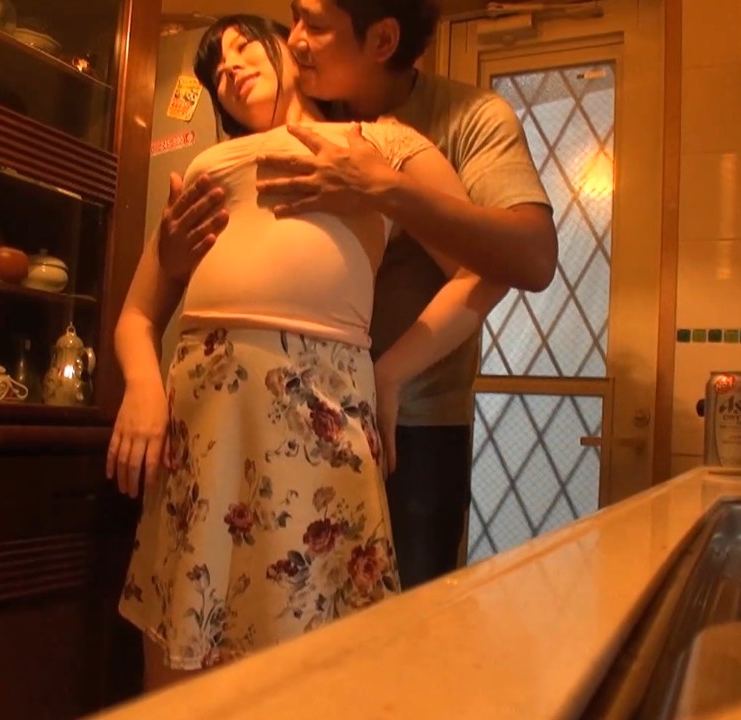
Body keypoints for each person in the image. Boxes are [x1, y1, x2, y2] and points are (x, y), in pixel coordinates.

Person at [105, 14, 508, 689]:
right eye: (216, 69)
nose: (229, 67)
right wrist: (143, 388)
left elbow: (485, 268)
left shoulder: (379, 143)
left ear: (293, 49)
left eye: (243, 45)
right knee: (181, 655)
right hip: (199, 436)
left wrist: (391, 372)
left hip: (320, 429)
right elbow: (137, 315)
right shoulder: (207, 165)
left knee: (320, 664)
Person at [153, 0, 558, 590]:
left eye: (315, 25)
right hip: (284, 415)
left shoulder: (461, 121)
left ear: (383, 41)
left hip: (411, 423)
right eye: (294, 18)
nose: (294, 40)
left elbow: (530, 258)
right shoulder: (297, 115)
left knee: (403, 615)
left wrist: (382, 189)